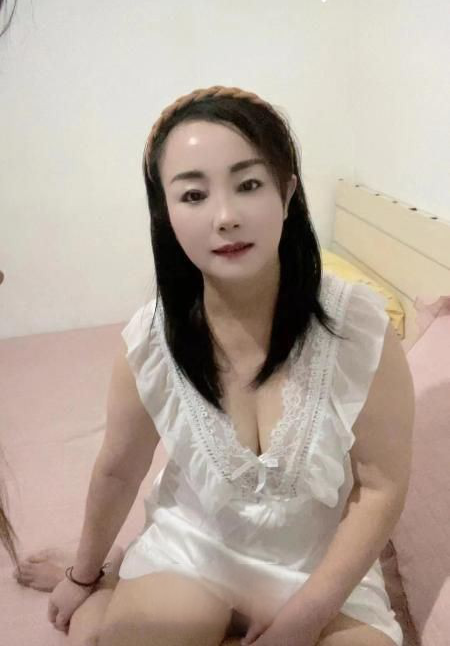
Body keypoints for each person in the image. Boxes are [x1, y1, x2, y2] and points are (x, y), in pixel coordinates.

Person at [14, 85, 414, 646]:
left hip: (319, 569)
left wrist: (302, 620)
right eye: (194, 195)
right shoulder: (151, 340)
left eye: (248, 185)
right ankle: (103, 594)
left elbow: (380, 488)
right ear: (166, 213)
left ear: (287, 192)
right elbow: (119, 469)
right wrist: (80, 576)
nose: (225, 217)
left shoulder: (359, 328)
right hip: (194, 552)